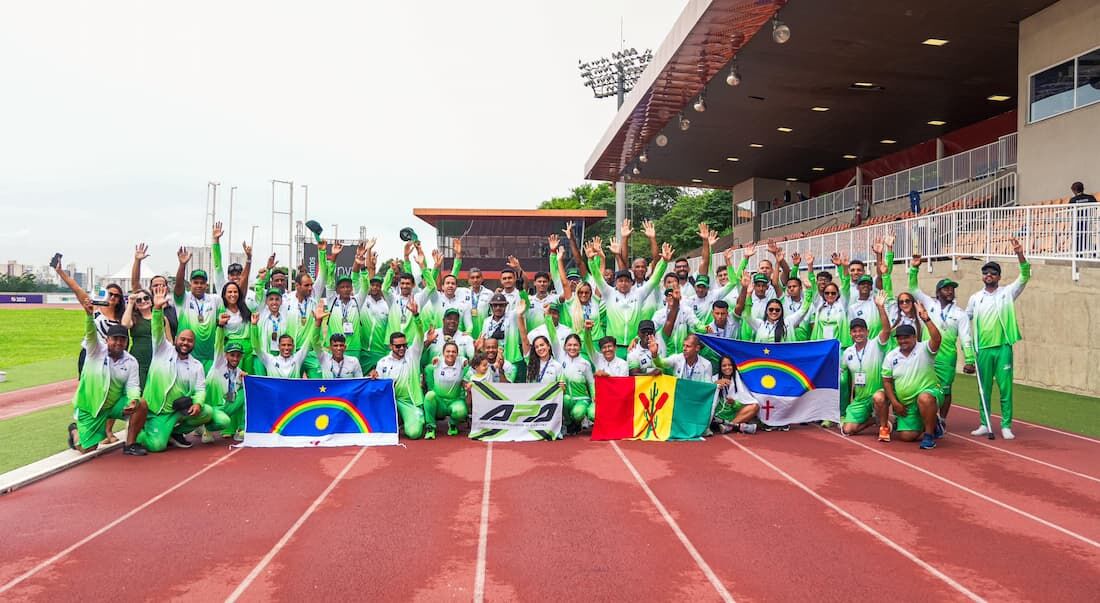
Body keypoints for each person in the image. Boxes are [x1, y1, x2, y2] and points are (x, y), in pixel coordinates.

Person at [137, 290, 228, 452]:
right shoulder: (162, 349)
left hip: (180, 410)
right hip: (158, 412)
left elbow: (200, 389)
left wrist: (198, 403)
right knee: (156, 446)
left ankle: (176, 432)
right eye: (183, 339)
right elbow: (157, 329)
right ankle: (140, 432)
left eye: (190, 341)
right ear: (177, 339)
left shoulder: (196, 365)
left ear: (193, 344)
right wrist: (157, 309)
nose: (186, 343)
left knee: (207, 412)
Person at [965, 238, 1029, 439]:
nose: (989, 275)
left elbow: (1025, 275)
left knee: (1005, 388)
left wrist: (1019, 253)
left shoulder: (1007, 293)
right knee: (984, 389)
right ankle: (984, 423)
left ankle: (1006, 425)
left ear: (999, 276)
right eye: (986, 273)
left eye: (993, 273)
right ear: (982, 277)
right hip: (982, 349)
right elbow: (964, 320)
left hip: (1002, 348)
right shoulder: (976, 298)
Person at [66, 303, 149, 456]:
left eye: (122, 340)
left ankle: (130, 444)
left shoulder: (131, 361)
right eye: (115, 339)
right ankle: (74, 432)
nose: (118, 343)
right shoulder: (95, 350)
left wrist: (133, 400)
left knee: (141, 404)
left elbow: (133, 386)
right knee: (87, 449)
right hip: (91, 407)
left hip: (114, 405)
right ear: (107, 339)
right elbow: (90, 333)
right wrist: (89, 316)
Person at [909, 255, 974, 425]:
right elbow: (913, 288)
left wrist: (969, 360)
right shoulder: (929, 304)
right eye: (946, 289)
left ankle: (942, 419)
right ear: (938, 292)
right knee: (921, 385)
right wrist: (915, 268)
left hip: (946, 358)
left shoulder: (960, 314)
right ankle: (923, 417)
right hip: (926, 354)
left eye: (952, 289)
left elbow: (966, 338)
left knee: (945, 390)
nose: (950, 291)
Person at [876, 300, 943, 450]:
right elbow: (886, 381)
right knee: (907, 437)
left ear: (914, 338)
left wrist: (926, 319)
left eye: (906, 337)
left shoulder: (924, 348)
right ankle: (931, 421)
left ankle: (929, 435)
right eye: (900, 338)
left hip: (929, 392)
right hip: (906, 402)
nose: (903, 340)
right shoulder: (891, 356)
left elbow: (937, 339)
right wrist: (895, 403)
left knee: (925, 398)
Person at [588, 241, 672, 358]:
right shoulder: (609, 293)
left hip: (634, 346)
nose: (623, 283)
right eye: (620, 281)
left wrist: (664, 262)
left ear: (631, 283)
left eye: (627, 281)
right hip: (613, 347)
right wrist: (591, 261)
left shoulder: (639, 294)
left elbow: (654, 280)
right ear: (615, 283)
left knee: (634, 375)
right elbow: (598, 277)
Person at [53, 253, 125, 375]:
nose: (113, 297)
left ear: (120, 299)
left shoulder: (121, 317)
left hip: (110, 356)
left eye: (116, 295)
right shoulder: (95, 307)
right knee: (86, 389)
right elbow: (76, 288)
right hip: (89, 353)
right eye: (110, 294)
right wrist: (60, 272)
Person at [371, 299, 429, 439]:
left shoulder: (413, 354)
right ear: (391, 346)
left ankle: (408, 419)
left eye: (404, 345)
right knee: (379, 431)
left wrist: (416, 316)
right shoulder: (382, 363)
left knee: (414, 433)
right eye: (398, 346)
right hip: (390, 401)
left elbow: (420, 334)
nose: (402, 348)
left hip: (410, 401)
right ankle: (397, 420)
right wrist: (373, 377)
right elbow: (378, 386)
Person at [840, 292, 891, 438]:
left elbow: (886, 330)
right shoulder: (847, 353)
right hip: (860, 398)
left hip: (878, 393)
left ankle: (883, 427)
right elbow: (844, 377)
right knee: (847, 430)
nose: (858, 334)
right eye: (855, 331)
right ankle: (874, 420)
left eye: (861, 330)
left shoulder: (876, 344)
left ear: (867, 331)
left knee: (878, 398)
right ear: (850, 334)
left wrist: (880, 307)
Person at [172, 247, 220, 372]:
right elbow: (178, 285)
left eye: (202, 283)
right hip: (187, 353)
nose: (199, 285)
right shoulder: (183, 299)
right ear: (190, 284)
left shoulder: (214, 300)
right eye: (196, 282)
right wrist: (182, 265)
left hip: (209, 356)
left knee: (205, 389)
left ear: (207, 285)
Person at [203, 316, 248, 442]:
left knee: (246, 393)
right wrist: (220, 327)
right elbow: (218, 343)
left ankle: (241, 429)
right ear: (225, 355)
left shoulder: (239, 373)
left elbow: (233, 396)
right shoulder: (218, 363)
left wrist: (247, 381)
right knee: (222, 420)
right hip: (210, 407)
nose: (235, 358)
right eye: (232, 355)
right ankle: (207, 429)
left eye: (238, 356)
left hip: (225, 406)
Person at [735, 271, 810, 343]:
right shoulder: (760, 324)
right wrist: (748, 294)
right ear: (766, 311)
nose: (774, 312)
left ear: (782, 311)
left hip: (783, 356)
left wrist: (809, 290)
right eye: (771, 309)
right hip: (764, 356)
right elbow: (747, 316)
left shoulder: (788, 322)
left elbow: (803, 310)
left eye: (777, 310)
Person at [249, 304, 316, 378]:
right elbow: (256, 347)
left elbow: (309, 341)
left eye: (289, 345)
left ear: (293, 346)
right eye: (283, 345)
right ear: (279, 347)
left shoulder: (297, 358)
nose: (286, 348)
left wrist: (317, 324)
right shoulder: (270, 360)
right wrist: (254, 326)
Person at [425, 341, 469, 436]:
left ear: (457, 353)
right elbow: (431, 365)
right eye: (448, 351)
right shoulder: (438, 361)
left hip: (454, 401)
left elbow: (466, 362)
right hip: (439, 401)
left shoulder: (461, 362)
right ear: (443, 352)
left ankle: (453, 424)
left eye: (453, 352)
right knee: (429, 396)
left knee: (461, 412)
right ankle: (430, 427)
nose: (450, 354)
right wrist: (436, 360)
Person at [310, 305, 364, 379]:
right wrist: (318, 322)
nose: (338, 348)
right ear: (330, 347)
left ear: (345, 347)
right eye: (335, 346)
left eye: (341, 345)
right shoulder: (323, 358)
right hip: (328, 390)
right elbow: (314, 342)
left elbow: (359, 382)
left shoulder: (354, 361)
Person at [711, 356, 757, 434]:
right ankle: (738, 426)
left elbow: (744, 401)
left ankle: (729, 426)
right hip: (719, 415)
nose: (727, 368)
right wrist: (715, 385)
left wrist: (733, 403)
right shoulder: (714, 379)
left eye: (730, 365)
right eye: (724, 366)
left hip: (735, 414)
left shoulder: (739, 379)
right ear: (720, 367)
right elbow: (705, 393)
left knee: (755, 406)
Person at [1069, 181, 1097, 256]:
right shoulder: (1090, 198)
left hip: (1077, 223)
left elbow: (1069, 211)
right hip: (1088, 222)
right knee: (1087, 238)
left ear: (1074, 190)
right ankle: (1094, 253)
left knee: (1078, 240)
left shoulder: (1073, 200)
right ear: (1083, 189)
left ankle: (1078, 256)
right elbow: (1097, 207)